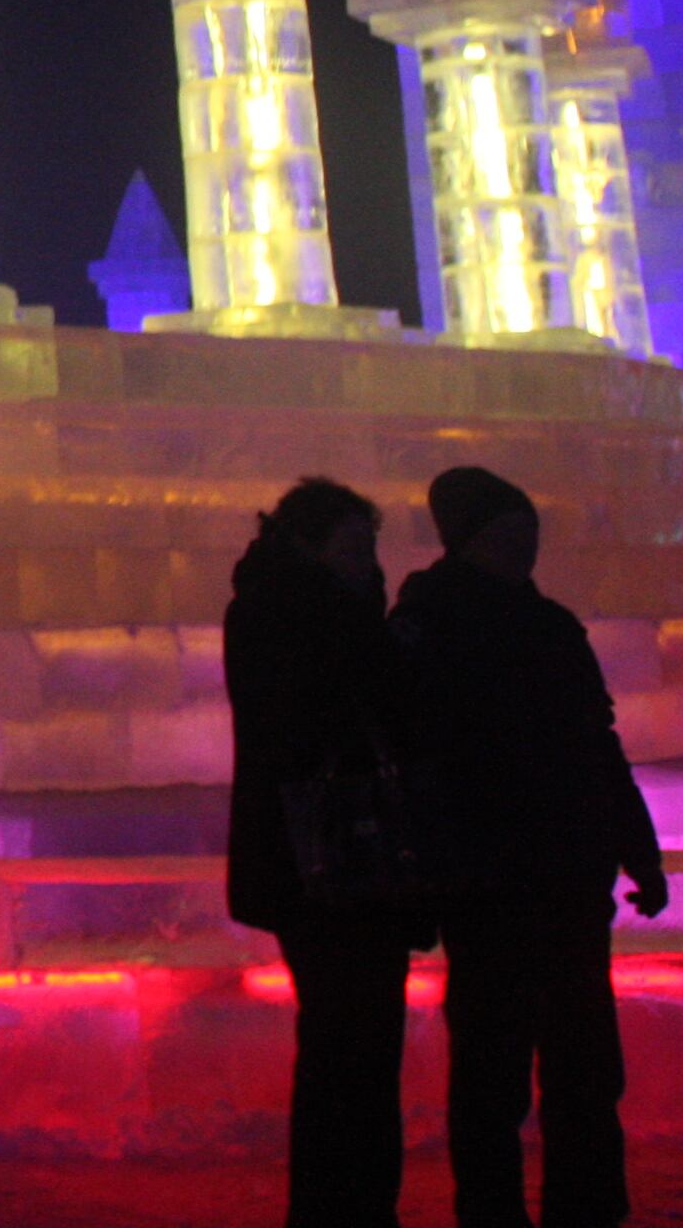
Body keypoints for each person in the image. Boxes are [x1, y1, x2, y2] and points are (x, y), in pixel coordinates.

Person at [393, 465, 669, 1228]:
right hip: (488, 882)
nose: (525, 547)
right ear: (468, 538)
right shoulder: (429, 625)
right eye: (508, 533)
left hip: (566, 876)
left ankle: (586, 1209)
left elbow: (597, 744)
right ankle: (496, 1215)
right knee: (494, 1070)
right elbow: (415, 759)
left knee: (581, 1063)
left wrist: (636, 848)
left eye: (529, 533)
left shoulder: (548, 624)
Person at [224, 473, 424, 1228]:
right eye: (355, 546)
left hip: (311, 860)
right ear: (310, 545)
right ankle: (352, 1208)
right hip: (338, 857)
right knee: (357, 1048)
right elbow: (365, 700)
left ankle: (337, 1205)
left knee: (345, 1045)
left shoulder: (269, 607)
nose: (367, 560)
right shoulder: (304, 614)